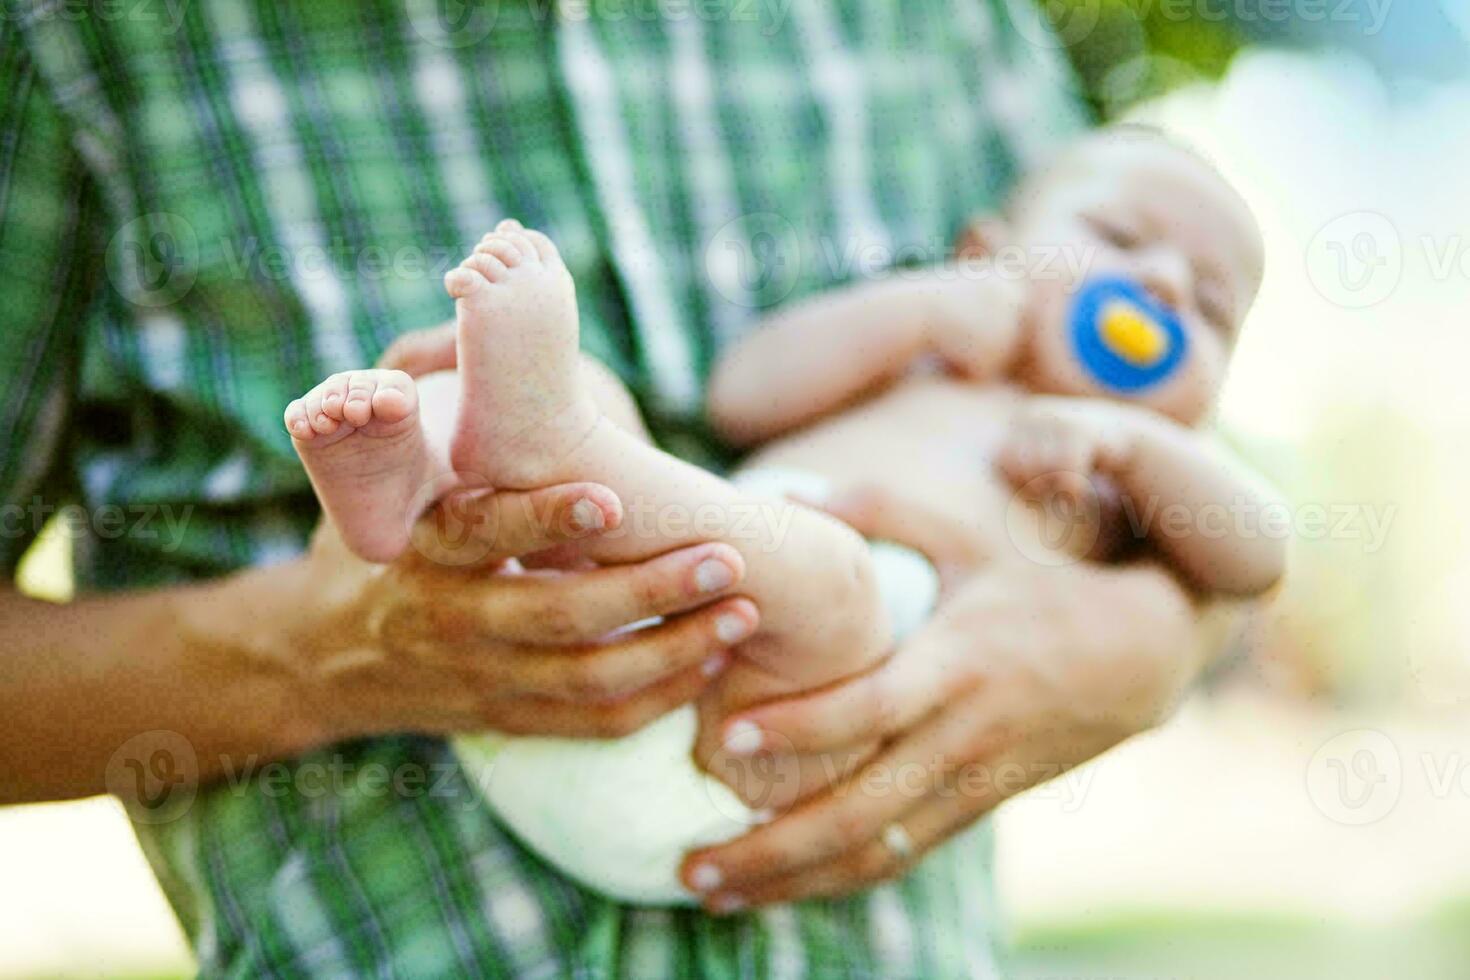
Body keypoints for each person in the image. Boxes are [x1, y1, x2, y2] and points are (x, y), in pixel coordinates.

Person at [0, 2, 1239, 974]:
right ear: (988, 242)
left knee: (776, 546)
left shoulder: (957, 35)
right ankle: (419, 474)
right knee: (624, 439)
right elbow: (756, 391)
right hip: (657, 659)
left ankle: (546, 446)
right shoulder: (70, 32)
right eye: (1129, 244)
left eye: (1215, 302)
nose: (1166, 293)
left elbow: (1249, 551)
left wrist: (1154, 642)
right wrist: (315, 648)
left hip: (790, 708)